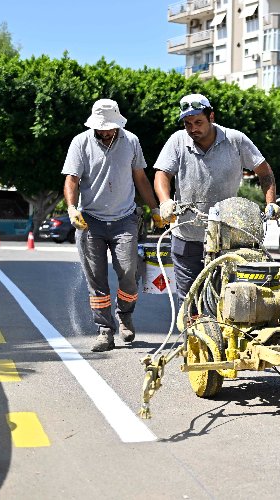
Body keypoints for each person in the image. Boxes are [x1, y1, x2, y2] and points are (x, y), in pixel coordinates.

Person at [153, 93, 280, 311]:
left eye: (198, 122)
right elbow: (161, 175)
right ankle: (192, 340)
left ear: (211, 116)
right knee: (189, 301)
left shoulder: (235, 140)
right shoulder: (177, 141)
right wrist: (165, 201)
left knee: (226, 298)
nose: (193, 128)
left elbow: (264, 172)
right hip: (187, 234)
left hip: (226, 237)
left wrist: (271, 202)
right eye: (188, 124)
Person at [62, 98, 165, 352]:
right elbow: (71, 179)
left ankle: (125, 315)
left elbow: (140, 178)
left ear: (118, 123)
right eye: (101, 128)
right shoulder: (81, 142)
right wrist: (72, 208)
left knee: (129, 273)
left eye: (109, 127)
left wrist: (155, 209)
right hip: (91, 221)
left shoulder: (131, 141)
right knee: (96, 279)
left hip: (125, 219)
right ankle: (104, 331)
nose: (106, 132)